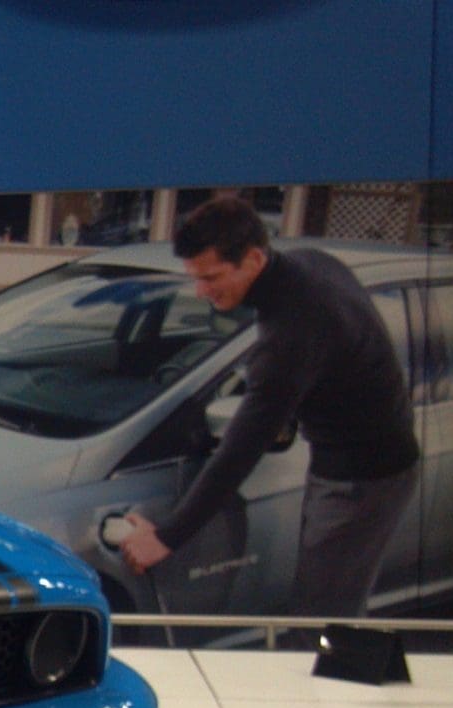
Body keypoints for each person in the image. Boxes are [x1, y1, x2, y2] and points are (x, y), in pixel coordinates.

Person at [119, 197, 420, 620]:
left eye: (212, 277)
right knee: (329, 605)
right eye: (195, 278)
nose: (202, 291)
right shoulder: (309, 264)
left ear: (254, 258)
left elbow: (241, 447)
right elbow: (343, 355)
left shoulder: (291, 330)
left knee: (320, 620)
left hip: (362, 479)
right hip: (365, 459)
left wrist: (167, 537)